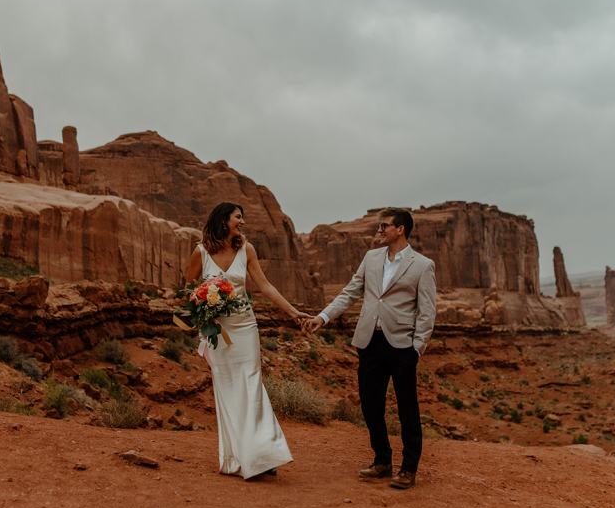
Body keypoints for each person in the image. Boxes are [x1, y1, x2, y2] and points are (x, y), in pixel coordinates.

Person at [304, 208, 436, 489]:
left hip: (402, 345)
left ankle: (408, 469)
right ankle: (382, 460)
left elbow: (427, 312)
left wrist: (417, 348)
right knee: (370, 404)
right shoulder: (371, 258)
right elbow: (350, 292)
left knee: (407, 409)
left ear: (400, 229)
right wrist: (322, 317)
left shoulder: (422, 265)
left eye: (384, 226)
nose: (379, 230)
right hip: (369, 342)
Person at [185, 202, 308, 479]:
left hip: (244, 327)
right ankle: (237, 457)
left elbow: (264, 286)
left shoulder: (246, 249)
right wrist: (203, 306)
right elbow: (188, 286)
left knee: (251, 385)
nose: (242, 222)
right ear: (223, 220)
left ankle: (262, 455)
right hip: (217, 332)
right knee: (228, 389)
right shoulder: (200, 252)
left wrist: (292, 311)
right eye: (238, 217)